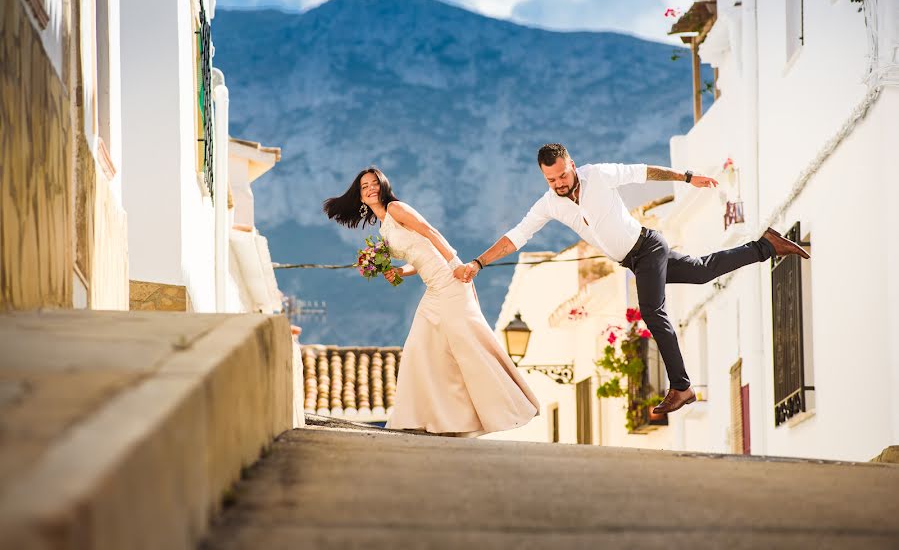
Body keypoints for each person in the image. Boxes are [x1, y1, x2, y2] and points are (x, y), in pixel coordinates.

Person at [459, 143, 809, 415]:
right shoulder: (550, 204)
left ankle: (682, 387)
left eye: (562, 176)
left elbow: (644, 172)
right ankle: (767, 246)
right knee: (703, 272)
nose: (559, 184)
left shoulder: (598, 175)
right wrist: (478, 262)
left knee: (652, 311)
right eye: (551, 180)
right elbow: (516, 236)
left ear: (572, 165)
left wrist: (687, 178)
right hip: (633, 259)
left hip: (647, 247)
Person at [323, 167, 539, 436]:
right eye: (364, 186)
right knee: (420, 349)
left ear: (383, 185)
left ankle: (515, 406)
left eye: (374, 183)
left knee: (471, 347)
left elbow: (430, 232)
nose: (370, 188)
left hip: (451, 281)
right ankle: (426, 419)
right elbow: (419, 257)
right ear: (360, 197)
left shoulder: (397, 209)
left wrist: (456, 264)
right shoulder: (383, 229)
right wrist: (400, 271)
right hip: (433, 289)